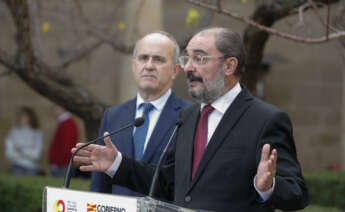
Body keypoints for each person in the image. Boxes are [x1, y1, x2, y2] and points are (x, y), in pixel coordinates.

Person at [72, 27, 309, 212]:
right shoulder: (188, 116)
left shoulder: (266, 119)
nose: (188, 68)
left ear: (229, 65)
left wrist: (267, 187)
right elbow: (166, 181)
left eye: (200, 58)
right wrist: (116, 164)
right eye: (187, 59)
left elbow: (297, 193)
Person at [89, 31, 191, 196]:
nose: (149, 66)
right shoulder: (113, 115)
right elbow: (100, 185)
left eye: (158, 59)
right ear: (134, 65)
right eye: (143, 58)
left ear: (175, 70)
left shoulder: (190, 116)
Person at [5, 106, 43, 175]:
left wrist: (20, 150)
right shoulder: (13, 132)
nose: (22, 118)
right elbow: (9, 153)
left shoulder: (37, 134)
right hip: (16, 166)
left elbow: (36, 155)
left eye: (25, 116)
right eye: (21, 116)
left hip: (32, 167)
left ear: (31, 118)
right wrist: (28, 152)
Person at [48, 105, 79, 177]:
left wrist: (57, 163)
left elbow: (66, 146)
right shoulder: (64, 123)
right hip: (61, 164)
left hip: (62, 165)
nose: (54, 110)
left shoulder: (68, 124)